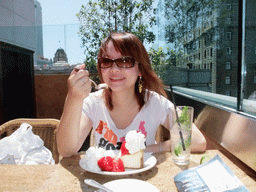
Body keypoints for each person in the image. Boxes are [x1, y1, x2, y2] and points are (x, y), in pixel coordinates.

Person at [57, 32, 206, 157]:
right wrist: (74, 97)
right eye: (107, 60)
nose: (114, 69)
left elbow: (198, 141)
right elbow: (66, 150)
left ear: (140, 69)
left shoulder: (155, 102)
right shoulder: (92, 102)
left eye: (125, 61)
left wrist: (146, 150)